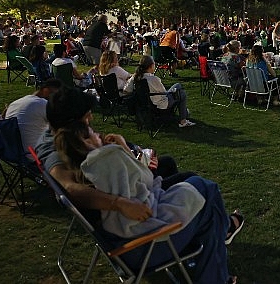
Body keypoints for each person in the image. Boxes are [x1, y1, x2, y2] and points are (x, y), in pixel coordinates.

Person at [37, 88, 242, 284]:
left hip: (124, 227)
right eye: (88, 118)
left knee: (191, 182)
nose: (91, 123)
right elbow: (71, 189)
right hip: (138, 243)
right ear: (76, 127)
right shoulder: (55, 152)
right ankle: (217, 258)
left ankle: (218, 229)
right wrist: (120, 201)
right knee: (207, 191)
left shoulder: (69, 143)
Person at [124, 55, 195, 128]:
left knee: (178, 85)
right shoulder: (153, 79)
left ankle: (185, 113)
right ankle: (183, 120)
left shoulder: (135, 78)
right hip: (160, 105)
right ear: (151, 66)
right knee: (181, 92)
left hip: (145, 104)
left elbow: (126, 90)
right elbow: (164, 93)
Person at [4, 79, 62, 160]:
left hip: (14, 153)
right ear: (46, 90)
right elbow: (61, 128)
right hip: (34, 156)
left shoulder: (16, 103)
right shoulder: (42, 104)